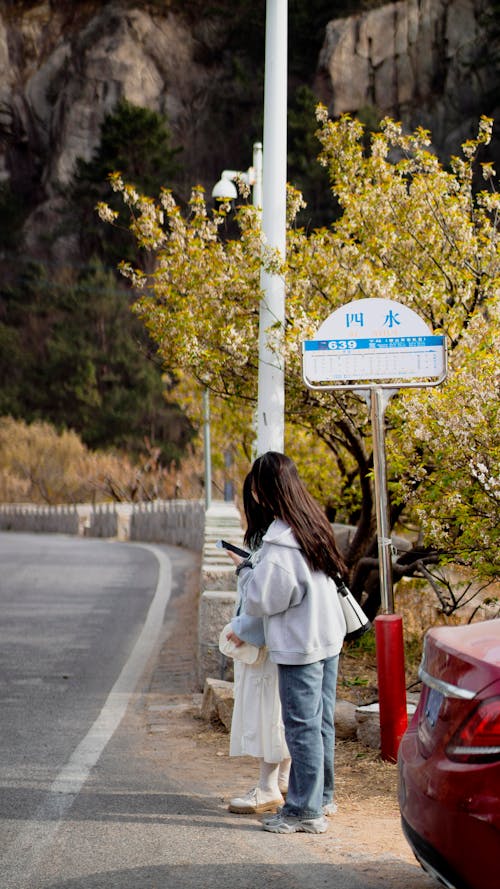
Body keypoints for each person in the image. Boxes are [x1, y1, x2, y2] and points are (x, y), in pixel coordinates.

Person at [233, 451, 347, 834]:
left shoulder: (281, 545)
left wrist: (247, 572)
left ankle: (303, 811)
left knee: (301, 728)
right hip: (328, 637)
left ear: (263, 491)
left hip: (300, 645)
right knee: (321, 723)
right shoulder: (312, 524)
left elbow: (263, 600)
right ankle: (323, 797)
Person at [223, 473, 291, 815]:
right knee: (280, 708)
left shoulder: (277, 537)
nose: (255, 498)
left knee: (270, 708)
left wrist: (242, 568)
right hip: (289, 638)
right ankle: (281, 780)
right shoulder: (297, 529)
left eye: (257, 489)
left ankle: (267, 786)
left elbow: (266, 596)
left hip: (269, 638)